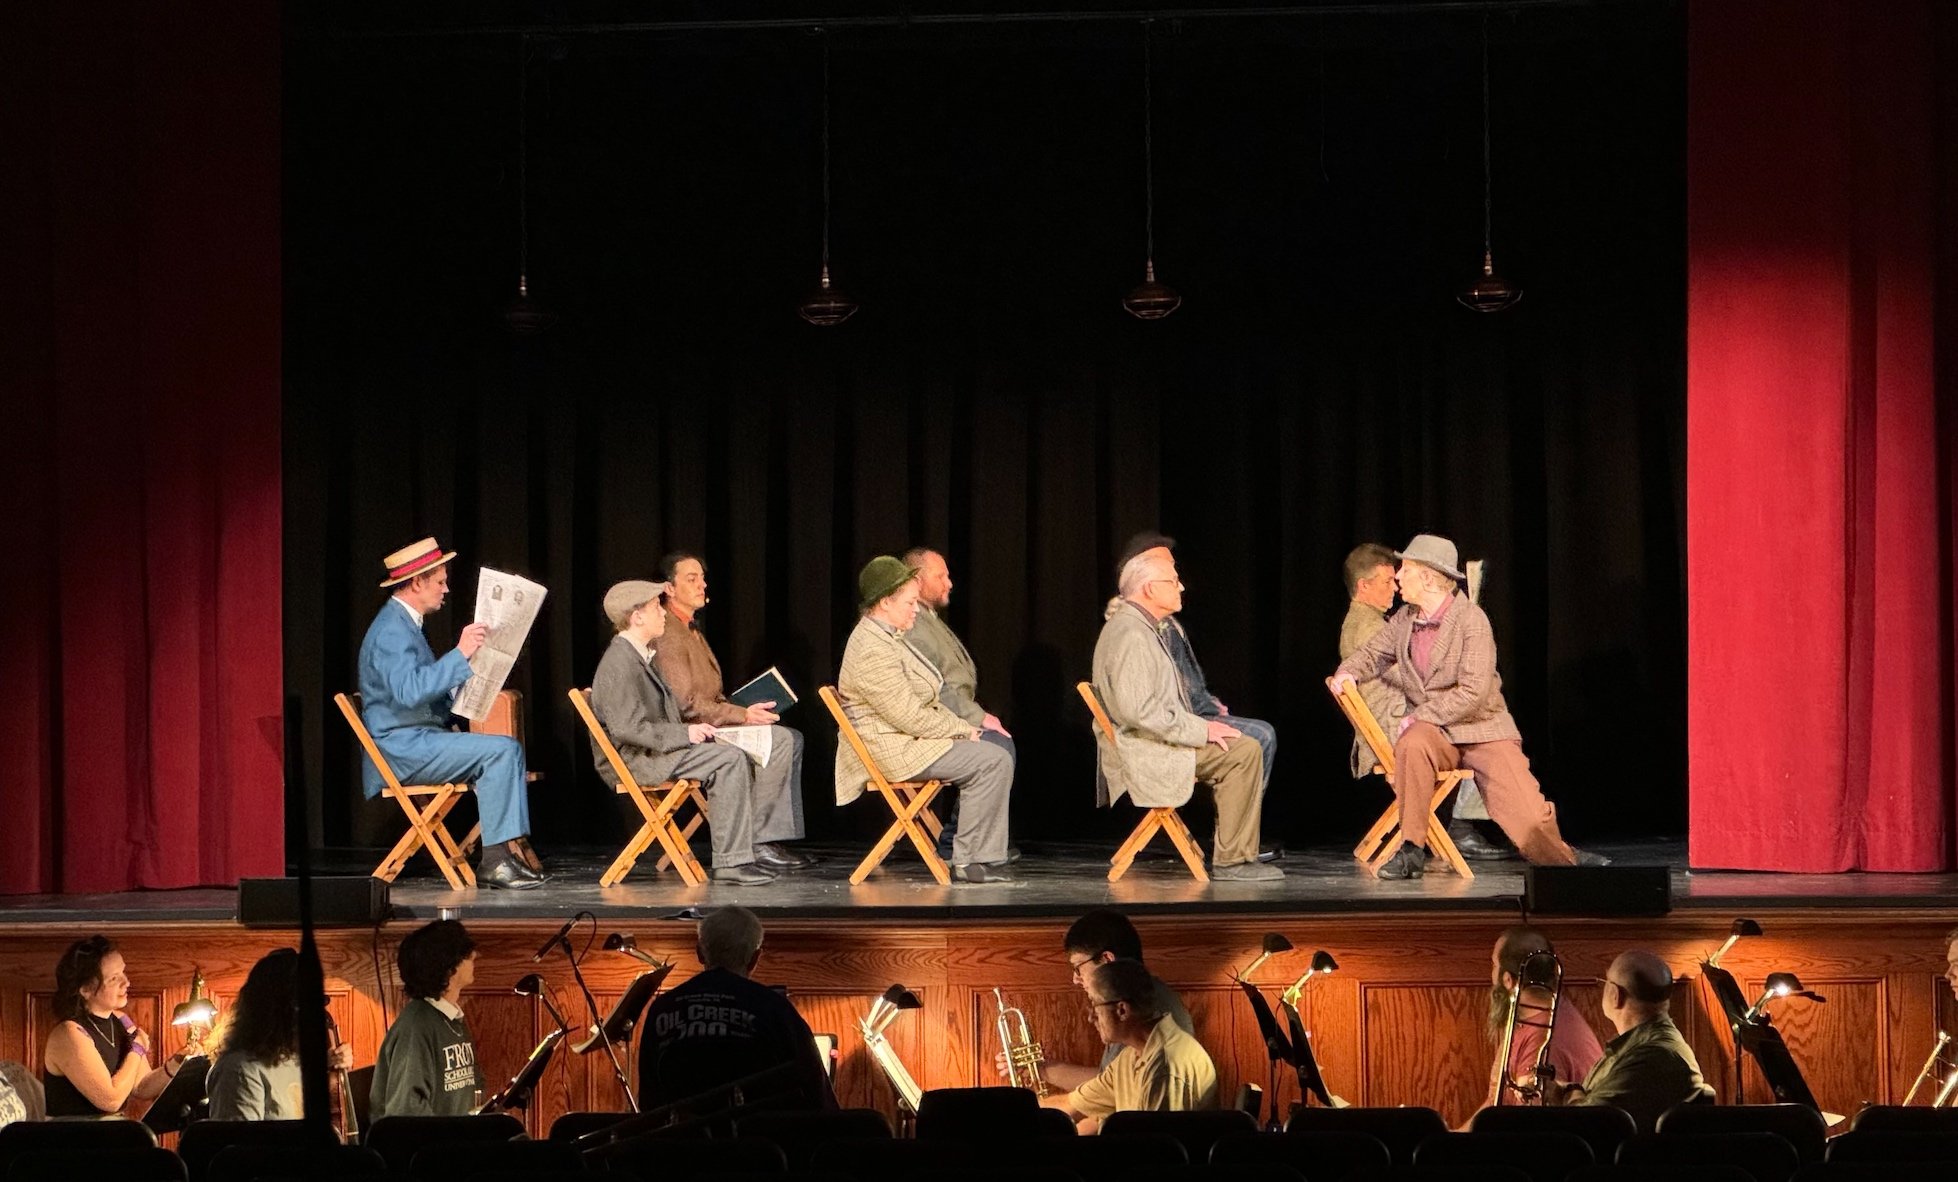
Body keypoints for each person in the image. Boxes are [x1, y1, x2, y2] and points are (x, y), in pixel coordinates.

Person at [1331, 534, 1601, 879]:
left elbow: (1472, 692)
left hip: (1480, 729)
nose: (1398, 576)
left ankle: (1562, 859)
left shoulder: (1472, 621)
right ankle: (1412, 848)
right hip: (1437, 733)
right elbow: (1371, 654)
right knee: (1413, 742)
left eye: (1406, 570)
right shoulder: (1404, 620)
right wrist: (1347, 672)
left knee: (1528, 817)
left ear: (1428, 577)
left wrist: (1421, 714)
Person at [357, 537, 543, 889]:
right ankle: (497, 859)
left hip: (419, 738)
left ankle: (503, 855)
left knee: (502, 750)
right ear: (416, 583)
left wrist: (467, 686)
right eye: (439, 581)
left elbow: (419, 688)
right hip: (402, 748)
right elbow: (410, 692)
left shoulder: (405, 625)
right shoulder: (391, 631)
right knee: (502, 750)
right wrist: (460, 654)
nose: (446, 589)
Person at [1091, 545, 1280, 881]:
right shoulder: (1132, 634)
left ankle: (1236, 850)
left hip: (1155, 737)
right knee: (1244, 751)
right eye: (1173, 581)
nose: (1180, 587)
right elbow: (1141, 712)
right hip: (1146, 747)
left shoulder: (1143, 627)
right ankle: (1233, 860)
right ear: (1150, 588)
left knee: (1246, 741)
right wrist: (1202, 730)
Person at [589, 580, 785, 885]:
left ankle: (738, 855)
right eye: (656, 608)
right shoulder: (619, 662)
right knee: (728, 760)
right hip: (636, 760)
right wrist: (685, 735)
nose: (663, 614)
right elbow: (627, 728)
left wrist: (693, 731)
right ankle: (732, 862)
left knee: (732, 753)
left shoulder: (639, 655)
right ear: (636, 616)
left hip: (654, 751)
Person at [834, 556, 1016, 883]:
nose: (916, 610)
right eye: (909, 602)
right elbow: (908, 716)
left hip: (906, 738)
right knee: (992, 760)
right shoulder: (872, 648)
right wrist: (963, 730)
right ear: (885, 603)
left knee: (994, 754)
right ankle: (968, 859)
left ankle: (972, 855)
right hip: (892, 749)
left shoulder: (889, 636)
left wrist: (960, 728)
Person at [1340, 542, 1512, 862]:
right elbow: (1407, 676)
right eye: (1387, 581)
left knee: (1466, 714)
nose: (1395, 586)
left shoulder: (1369, 622)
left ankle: (1458, 824)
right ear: (1364, 585)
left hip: (1395, 722)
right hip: (1391, 731)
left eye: (1397, 579)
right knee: (1472, 726)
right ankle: (1458, 826)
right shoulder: (1367, 627)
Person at [654, 552, 814, 871]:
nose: (702, 584)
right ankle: (759, 840)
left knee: (785, 736)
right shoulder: (668, 634)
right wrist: (742, 716)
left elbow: (707, 695)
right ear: (669, 588)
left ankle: (763, 837)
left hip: (710, 725)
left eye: (702, 578)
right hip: (689, 736)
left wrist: (743, 708)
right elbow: (686, 705)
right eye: (691, 579)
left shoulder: (690, 629)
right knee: (782, 740)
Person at [1116, 533, 1279, 813]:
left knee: (1262, 733)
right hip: (1170, 730)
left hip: (1190, 715)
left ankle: (1240, 827)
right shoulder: (1138, 629)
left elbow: (1185, 679)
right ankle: (1236, 827)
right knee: (1257, 739)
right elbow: (1145, 705)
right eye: (1166, 569)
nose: (1177, 580)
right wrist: (1202, 724)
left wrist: (1209, 703)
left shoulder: (1166, 624)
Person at [638, 906, 837, 1110]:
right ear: (754, 959)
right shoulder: (775, 1009)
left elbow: (648, 1102)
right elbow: (817, 1095)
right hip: (758, 1138)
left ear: (699, 953)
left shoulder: (662, 1008)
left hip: (681, 1140)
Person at [899, 546, 1018, 864]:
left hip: (952, 714)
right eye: (942, 576)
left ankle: (962, 839)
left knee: (999, 744)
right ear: (917, 579)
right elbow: (935, 688)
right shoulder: (912, 624)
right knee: (996, 746)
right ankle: (958, 843)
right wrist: (975, 718)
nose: (949, 583)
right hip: (932, 722)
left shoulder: (927, 618)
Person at [1017, 910, 1194, 1092]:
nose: (1075, 979)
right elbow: (1107, 1083)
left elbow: (1113, 1096)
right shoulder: (1137, 996)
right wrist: (1039, 1069)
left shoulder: (1138, 1012)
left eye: (1078, 967)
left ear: (1107, 960)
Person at [1040, 959, 1216, 1133]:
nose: (1091, 1017)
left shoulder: (1165, 1066)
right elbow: (1074, 1104)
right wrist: (1019, 1112)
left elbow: (1156, 1152)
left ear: (1122, 1010)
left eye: (1094, 1005)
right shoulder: (1131, 1055)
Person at [1569, 951, 1715, 1131]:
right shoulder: (1635, 1045)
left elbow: (1587, 1122)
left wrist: (1566, 1094)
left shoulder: (1655, 1056)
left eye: (1605, 982)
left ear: (1616, 995)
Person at [205, 948, 356, 1120]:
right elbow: (243, 1145)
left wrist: (330, 1065)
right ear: (280, 1011)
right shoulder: (240, 1071)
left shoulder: (294, 1058)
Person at [41, 935, 180, 1116]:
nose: (126, 983)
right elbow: (111, 1100)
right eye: (114, 979)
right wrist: (136, 1050)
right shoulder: (68, 1034)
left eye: (123, 972)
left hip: (111, 1135)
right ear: (85, 989)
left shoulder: (121, 1020)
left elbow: (141, 1087)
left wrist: (176, 1064)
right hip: (74, 1138)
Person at [1476, 926, 1603, 1112]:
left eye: (1494, 965)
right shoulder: (1536, 1015)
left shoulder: (1544, 1039)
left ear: (1508, 980)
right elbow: (1494, 1105)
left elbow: (1531, 1127)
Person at [368, 920, 483, 1120]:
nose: (475, 956)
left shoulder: (452, 1019)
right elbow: (406, 1114)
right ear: (449, 969)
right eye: (466, 954)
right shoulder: (416, 1027)